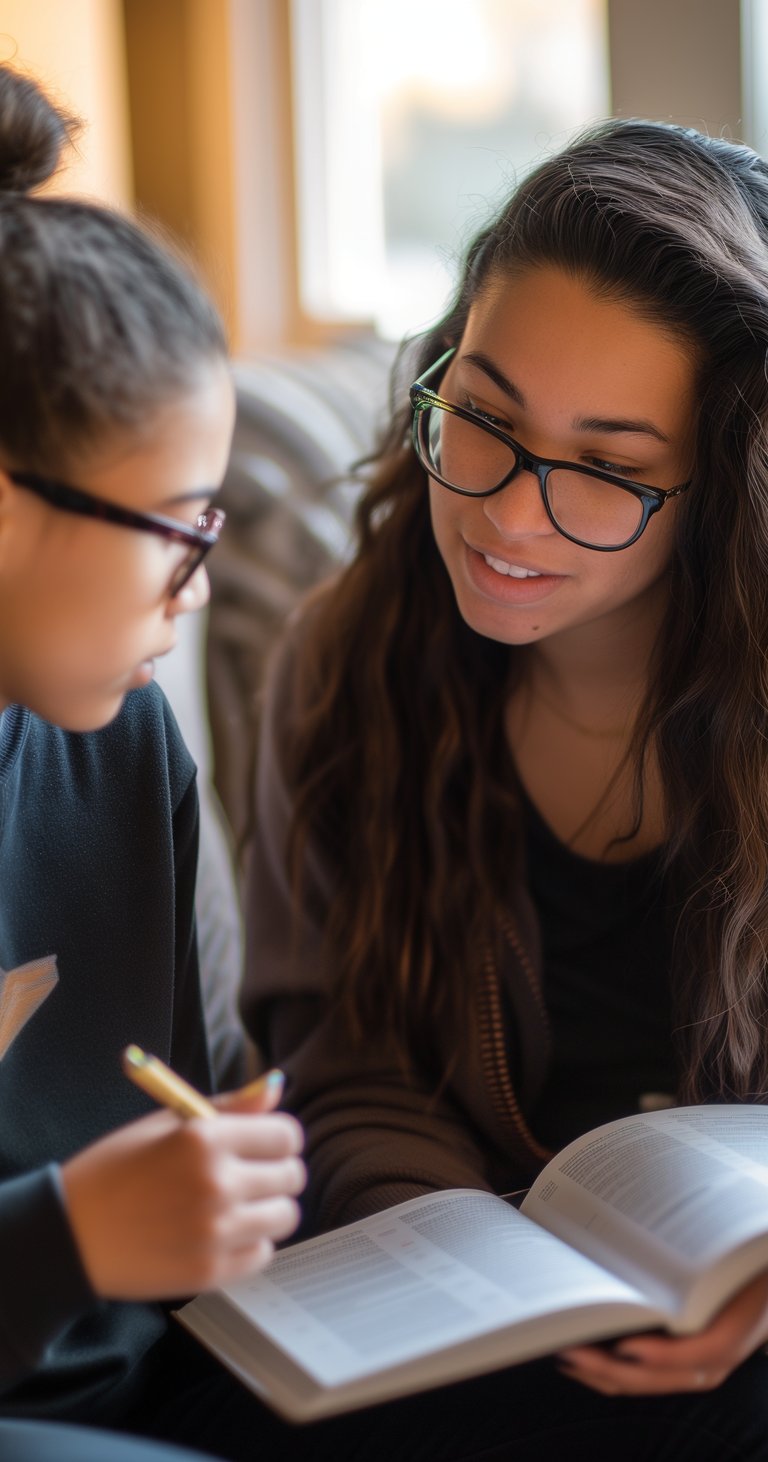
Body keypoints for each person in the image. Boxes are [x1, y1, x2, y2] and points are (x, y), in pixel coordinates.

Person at [241, 118, 768, 1459]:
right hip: (466, 1324)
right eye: (480, 415)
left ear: (723, 492)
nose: (508, 515)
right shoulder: (346, 666)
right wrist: (477, 1284)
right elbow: (337, 1055)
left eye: (605, 467)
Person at [0, 64, 308, 1462]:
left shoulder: (129, 745)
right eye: (178, 527)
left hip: (179, 1387)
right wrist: (62, 1239)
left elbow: (218, 1081)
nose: (200, 582)